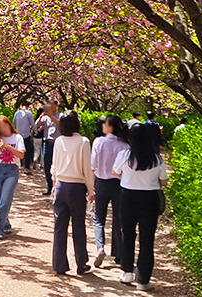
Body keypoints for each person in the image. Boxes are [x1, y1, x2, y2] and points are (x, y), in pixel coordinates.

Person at [113, 123, 169, 291]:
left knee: (127, 233)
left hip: (128, 197)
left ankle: (127, 272)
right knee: (147, 238)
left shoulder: (124, 155)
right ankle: (143, 280)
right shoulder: (156, 158)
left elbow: (115, 172)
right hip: (149, 199)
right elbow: (164, 182)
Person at [51, 112, 94, 276]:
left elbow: (54, 166)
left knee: (59, 227)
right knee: (78, 225)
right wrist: (91, 190)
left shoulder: (59, 141)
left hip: (61, 185)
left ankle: (59, 264)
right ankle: (81, 263)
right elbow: (87, 169)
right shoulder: (84, 142)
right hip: (77, 187)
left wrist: (54, 185)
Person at [90, 115, 129, 267]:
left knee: (99, 218)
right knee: (119, 218)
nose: (103, 126)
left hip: (102, 182)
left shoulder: (99, 142)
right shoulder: (124, 145)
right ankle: (119, 253)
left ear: (110, 126)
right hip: (119, 184)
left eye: (105, 123)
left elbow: (93, 164)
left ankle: (100, 248)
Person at [0, 115, 26, 239]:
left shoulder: (17, 137)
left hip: (11, 170)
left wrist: (7, 146)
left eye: (5, 125)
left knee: (5, 200)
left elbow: (21, 155)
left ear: (9, 124)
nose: (4, 129)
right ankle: (5, 223)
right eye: (1, 127)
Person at [37, 98, 60, 195]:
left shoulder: (60, 116)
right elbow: (36, 125)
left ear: (56, 106)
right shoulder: (45, 117)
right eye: (49, 104)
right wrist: (41, 116)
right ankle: (49, 186)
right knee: (47, 165)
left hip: (57, 143)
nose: (50, 106)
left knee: (57, 165)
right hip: (47, 142)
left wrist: (51, 116)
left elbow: (60, 124)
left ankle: (57, 186)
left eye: (52, 104)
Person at [13, 104, 35, 170]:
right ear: (28, 106)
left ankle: (19, 164)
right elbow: (33, 124)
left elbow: (13, 122)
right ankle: (27, 167)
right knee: (27, 151)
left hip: (18, 135)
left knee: (18, 150)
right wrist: (36, 132)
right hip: (26, 135)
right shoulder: (29, 113)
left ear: (21, 106)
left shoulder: (17, 113)